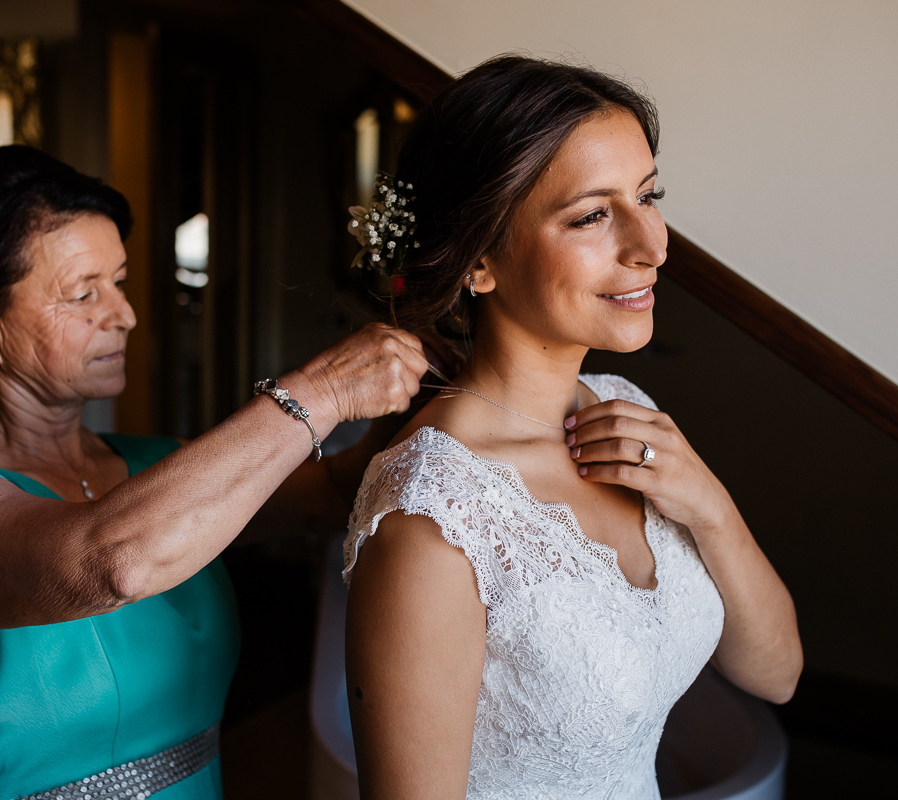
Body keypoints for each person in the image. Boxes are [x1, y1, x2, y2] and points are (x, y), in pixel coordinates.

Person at [0, 145, 434, 800]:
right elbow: (112, 562)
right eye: (83, 293)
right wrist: (317, 393)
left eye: (118, 281)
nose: (124, 315)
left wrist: (439, 379)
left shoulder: (157, 469)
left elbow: (341, 494)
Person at [342, 56, 803, 799]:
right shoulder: (432, 519)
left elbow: (776, 674)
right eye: (592, 215)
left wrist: (710, 505)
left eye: (649, 196)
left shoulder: (623, 407)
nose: (651, 244)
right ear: (480, 260)